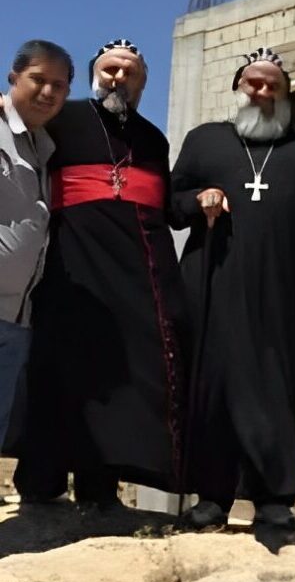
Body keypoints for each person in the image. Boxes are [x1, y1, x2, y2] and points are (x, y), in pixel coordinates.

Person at [171, 47, 295, 545]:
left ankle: (274, 502)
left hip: (285, 293)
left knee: (280, 392)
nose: (263, 91)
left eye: (274, 85)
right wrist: (197, 199)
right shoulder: (205, 140)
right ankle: (212, 497)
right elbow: (170, 202)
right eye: (254, 82)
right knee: (214, 390)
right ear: (238, 88)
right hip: (215, 286)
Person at [12, 39, 187, 507]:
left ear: (143, 82)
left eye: (130, 72)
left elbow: (162, 204)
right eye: (110, 70)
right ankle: (41, 483)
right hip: (68, 264)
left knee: (114, 380)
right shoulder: (62, 118)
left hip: (131, 273)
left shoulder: (153, 140)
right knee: (55, 371)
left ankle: (99, 488)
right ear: (94, 75)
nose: (119, 78)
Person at [0, 41, 71, 446]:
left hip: (16, 318)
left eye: (58, 86)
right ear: (13, 78)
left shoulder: (43, 146)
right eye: (38, 80)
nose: (48, 92)